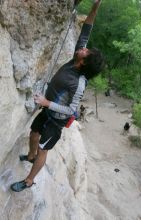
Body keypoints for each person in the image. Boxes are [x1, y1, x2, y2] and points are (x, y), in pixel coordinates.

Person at [11, 0, 104, 192]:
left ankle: (29, 181)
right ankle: (30, 156)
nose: (83, 48)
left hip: (57, 121)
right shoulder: (75, 59)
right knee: (33, 133)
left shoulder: (78, 82)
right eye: (85, 48)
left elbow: (71, 109)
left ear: (84, 63)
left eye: (86, 52)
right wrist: (95, 7)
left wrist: (46, 102)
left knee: (43, 149)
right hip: (48, 110)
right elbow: (87, 30)